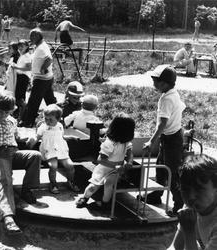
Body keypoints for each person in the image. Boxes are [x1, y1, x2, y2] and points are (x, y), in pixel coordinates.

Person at [0, 93, 41, 235]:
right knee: (5, 180)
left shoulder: (12, 120)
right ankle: (8, 218)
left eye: (7, 112)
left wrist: (29, 138)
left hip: (14, 152)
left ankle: (26, 190)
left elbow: (16, 137)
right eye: (0, 111)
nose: (4, 115)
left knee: (35, 156)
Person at [143, 64, 186, 217]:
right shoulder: (173, 93)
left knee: (172, 172)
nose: (153, 84)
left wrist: (151, 141)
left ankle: (179, 205)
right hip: (171, 136)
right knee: (161, 167)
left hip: (172, 139)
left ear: (164, 83)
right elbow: (181, 108)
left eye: (155, 81)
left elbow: (162, 123)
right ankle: (156, 195)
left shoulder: (166, 99)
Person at [76, 112, 135, 210]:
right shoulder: (109, 143)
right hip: (103, 169)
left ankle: (105, 203)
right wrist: (115, 165)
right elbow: (100, 160)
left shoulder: (125, 142)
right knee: (93, 187)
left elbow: (130, 153)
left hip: (116, 171)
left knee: (109, 184)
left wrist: (129, 162)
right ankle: (85, 197)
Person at [167, 154, 217, 250]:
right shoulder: (192, 208)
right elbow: (175, 247)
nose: (191, 197)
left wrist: (189, 231)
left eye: (199, 189)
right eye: (185, 190)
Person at [28, 104, 79, 194]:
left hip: (61, 149)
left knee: (70, 165)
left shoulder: (59, 126)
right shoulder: (43, 127)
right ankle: (53, 184)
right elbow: (37, 137)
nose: (47, 121)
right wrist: (32, 142)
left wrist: (71, 137)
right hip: (49, 150)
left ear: (58, 119)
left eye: (50, 119)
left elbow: (61, 137)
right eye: (45, 118)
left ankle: (70, 181)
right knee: (53, 166)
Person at [21, 28, 57, 127]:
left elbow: (49, 59)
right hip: (44, 78)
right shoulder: (39, 46)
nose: (30, 38)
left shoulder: (41, 47)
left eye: (32, 36)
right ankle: (58, 118)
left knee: (33, 102)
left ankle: (27, 122)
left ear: (37, 36)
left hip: (42, 79)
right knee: (50, 101)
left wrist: (42, 69)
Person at [13, 39, 32, 121]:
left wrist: (16, 67)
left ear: (27, 47)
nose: (20, 48)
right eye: (19, 46)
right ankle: (20, 114)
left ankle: (25, 113)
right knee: (18, 96)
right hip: (20, 76)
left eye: (22, 46)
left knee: (20, 98)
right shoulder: (22, 55)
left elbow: (29, 68)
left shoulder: (27, 56)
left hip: (23, 77)